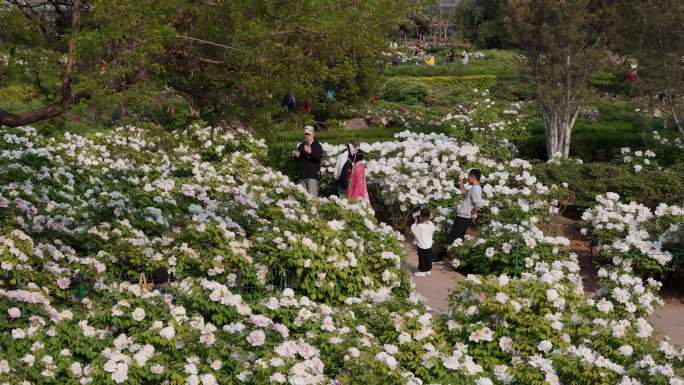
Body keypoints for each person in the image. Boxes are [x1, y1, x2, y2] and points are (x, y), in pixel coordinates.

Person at [445, 168, 484, 250]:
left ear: (472, 176)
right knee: (458, 238)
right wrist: (461, 183)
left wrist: (474, 211)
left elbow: (479, 204)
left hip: (464, 217)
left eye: (469, 177)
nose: (468, 179)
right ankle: (449, 255)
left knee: (452, 237)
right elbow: (466, 195)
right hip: (463, 216)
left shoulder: (475, 189)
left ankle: (439, 256)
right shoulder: (474, 188)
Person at [293, 126, 324, 197]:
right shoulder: (301, 145)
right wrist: (296, 157)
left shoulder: (317, 145)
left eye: (308, 134)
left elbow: (318, 158)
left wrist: (310, 152)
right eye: (305, 134)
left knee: (312, 198)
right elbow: (297, 160)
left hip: (312, 176)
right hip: (302, 176)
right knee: (303, 198)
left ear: (313, 134)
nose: (307, 136)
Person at [411, 208, 436, 277]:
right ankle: (428, 270)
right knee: (428, 258)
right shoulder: (431, 225)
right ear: (429, 216)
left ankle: (422, 271)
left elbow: (413, 228)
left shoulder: (419, 227)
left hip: (421, 246)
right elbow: (431, 225)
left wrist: (416, 221)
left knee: (422, 259)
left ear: (421, 217)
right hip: (429, 246)